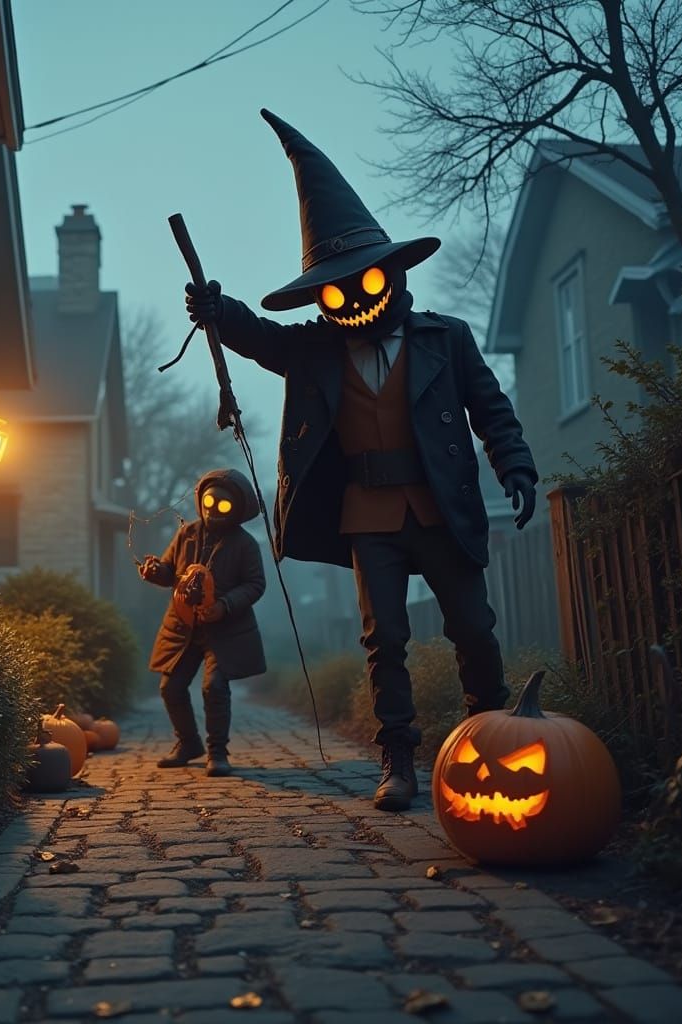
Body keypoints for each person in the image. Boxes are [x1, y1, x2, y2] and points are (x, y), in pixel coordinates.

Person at [183, 109, 538, 811]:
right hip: (366, 516)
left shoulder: (448, 340)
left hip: (440, 506)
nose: (353, 299)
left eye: (365, 282)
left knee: (474, 627)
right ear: (323, 296)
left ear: (392, 275)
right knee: (385, 640)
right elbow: (259, 338)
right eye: (336, 290)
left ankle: (492, 740)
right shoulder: (315, 348)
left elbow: (493, 412)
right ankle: (398, 759)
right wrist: (219, 311)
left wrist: (516, 467)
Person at [139, 468, 266, 777]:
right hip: (184, 627)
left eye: (222, 505)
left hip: (225, 631)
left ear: (236, 507)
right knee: (171, 687)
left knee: (215, 687)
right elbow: (170, 570)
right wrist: (156, 572)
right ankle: (187, 743)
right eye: (209, 502)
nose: (213, 510)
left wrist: (224, 605)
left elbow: (255, 584)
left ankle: (217, 752)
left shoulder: (245, 544)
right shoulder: (187, 534)